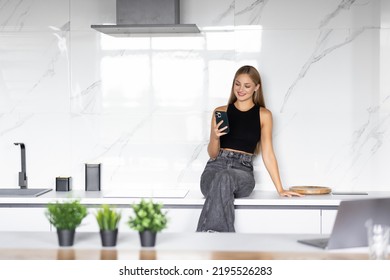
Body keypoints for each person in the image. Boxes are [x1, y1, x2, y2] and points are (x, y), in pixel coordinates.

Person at [196, 65, 302, 233]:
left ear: (256, 87)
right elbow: (213, 153)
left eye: (247, 86)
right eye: (237, 84)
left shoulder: (264, 115)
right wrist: (216, 137)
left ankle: (211, 237)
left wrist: (280, 188)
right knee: (221, 178)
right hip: (214, 168)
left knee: (225, 177)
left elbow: (268, 153)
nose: (241, 89)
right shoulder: (220, 111)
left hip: (242, 172)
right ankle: (221, 240)